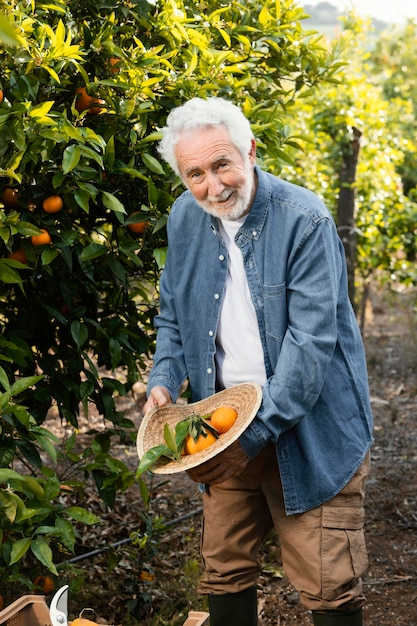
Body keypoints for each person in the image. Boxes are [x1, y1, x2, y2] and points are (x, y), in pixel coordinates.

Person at [143, 97, 373, 626]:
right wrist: (163, 379)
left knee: (328, 586)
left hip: (311, 430)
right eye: (194, 173)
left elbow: (310, 348)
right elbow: (174, 315)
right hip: (223, 423)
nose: (213, 186)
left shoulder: (304, 220)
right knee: (223, 572)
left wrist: (249, 439)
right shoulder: (186, 217)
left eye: (221, 164)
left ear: (250, 150)